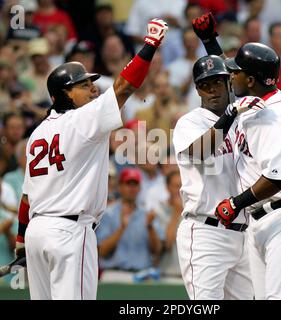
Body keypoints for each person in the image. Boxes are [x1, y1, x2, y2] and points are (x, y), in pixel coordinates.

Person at [14, 18, 168, 300]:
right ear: (61, 95)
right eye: (83, 85)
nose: (93, 89)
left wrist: (22, 240)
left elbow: (26, 197)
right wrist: (150, 45)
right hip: (70, 231)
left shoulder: (37, 134)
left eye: (90, 83)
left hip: (37, 231)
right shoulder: (82, 119)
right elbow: (123, 88)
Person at [192, 13, 281, 300]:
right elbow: (235, 72)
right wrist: (209, 41)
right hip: (261, 218)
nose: (230, 75)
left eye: (236, 72)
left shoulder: (274, 116)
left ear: (250, 79)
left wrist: (235, 203)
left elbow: (279, 178)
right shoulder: (256, 97)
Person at [173, 54, 265, 300]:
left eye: (217, 82)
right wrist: (230, 114)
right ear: (197, 90)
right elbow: (201, 152)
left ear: (228, 82)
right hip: (206, 231)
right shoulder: (190, 122)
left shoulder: (242, 121)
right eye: (205, 85)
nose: (212, 90)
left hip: (243, 233)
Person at [96, 168, 164, 273]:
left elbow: (157, 251)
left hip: (141, 275)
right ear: (120, 186)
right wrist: (122, 228)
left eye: (135, 184)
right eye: (128, 183)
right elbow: (102, 252)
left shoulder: (147, 214)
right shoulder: (108, 213)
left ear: (140, 188)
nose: (132, 188)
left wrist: (150, 227)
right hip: (114, 273)